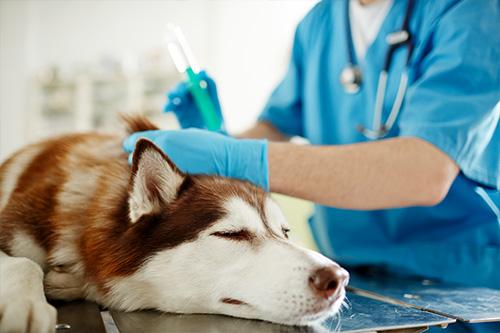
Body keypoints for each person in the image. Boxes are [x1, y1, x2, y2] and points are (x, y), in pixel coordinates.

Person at [123, 0, 500, 331]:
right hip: (353, 276)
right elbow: (275, 127)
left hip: (460, 281)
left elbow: (424, 172)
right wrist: (216, 136)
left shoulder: (467, 10)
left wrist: (232, 155)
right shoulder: (320, 23)